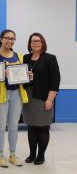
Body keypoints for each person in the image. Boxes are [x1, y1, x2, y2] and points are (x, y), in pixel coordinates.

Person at [22, 32, 60, 165]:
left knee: (43, 127)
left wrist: (50, 100)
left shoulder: (50, 58)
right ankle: (32, 154)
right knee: (31, 127)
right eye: (33, 41)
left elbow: (55, 81)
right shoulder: (26, 58)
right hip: (28, 98)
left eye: (38, 41)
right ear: (30, 44)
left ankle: (41, 156)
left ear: (43, 43)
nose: (36, 43)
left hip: (43, 98)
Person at [0, 29, 28, 168]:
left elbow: (23, 77)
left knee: (14, 126)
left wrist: (28, 76)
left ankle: (13, 154)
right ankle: (0, 155)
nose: (10, 41)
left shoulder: (19, 56)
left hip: (16, 94)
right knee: (1, 126)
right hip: (1, 94)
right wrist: (1, 74)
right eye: (7, 38)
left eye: (13, 38)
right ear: (1, 39)